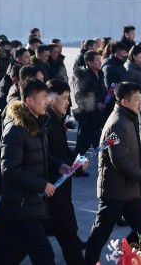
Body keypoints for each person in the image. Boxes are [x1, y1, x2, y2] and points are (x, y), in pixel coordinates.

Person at [0, 78, 70, 265]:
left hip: (27, 202)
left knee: (6, 254)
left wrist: (58, 164)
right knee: (44, 255)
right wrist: (42, 184)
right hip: (21, 203)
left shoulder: (36, 124)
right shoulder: (16, 129)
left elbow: (39, 154)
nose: (47, 101)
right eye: (43, 97)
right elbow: (10, 169)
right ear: (29, 101)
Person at [84, 82, 141, 265]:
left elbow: (132, 148)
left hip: (128, 190)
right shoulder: (117, 124)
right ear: (124, 102)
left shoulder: (127, 118)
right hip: (116, 190)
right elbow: (120, 160)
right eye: (137, 100)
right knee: (100, 233)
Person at [43, 79, 85, 265]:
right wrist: (68, 164)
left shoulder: (57, 122)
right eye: (65, 98)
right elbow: (47, 157)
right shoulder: (46, 124)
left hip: (59, 191)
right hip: (52, 192)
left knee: (67, 239)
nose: (68, 103)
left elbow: (62, 152)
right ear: (51, 100)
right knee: (67, 239)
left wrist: (75, 163)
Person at [71, 50, 106, 156]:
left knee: (82, 148)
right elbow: (79, 97)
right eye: (97, 60)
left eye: (100, 59)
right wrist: (96, 105)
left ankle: (74, 169)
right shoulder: (83, 76)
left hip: (98, 117)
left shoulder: (99, 74)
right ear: (90, 63)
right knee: (102, 148)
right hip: (88, 117)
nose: (100, 62)